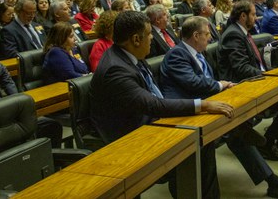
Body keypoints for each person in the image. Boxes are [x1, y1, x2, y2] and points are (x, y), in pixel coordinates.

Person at [89, 10, 233, 199]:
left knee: (202, 138)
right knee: (195, 139)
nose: (152, 38)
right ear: (135, 39)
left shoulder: (130, 57)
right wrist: (203, 105)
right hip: (129, 134)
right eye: (149, 34)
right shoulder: (116, 69)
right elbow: (153, 105)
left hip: (147, 119)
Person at [159, 16, 278, 199]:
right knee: (236, 134)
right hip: (185, 113)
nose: (210, 38)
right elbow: (194, 83)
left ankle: (273, 180)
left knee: (236, 132)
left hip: (205, 106)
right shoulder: (177, 54)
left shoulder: (198, 53)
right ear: (196, 35)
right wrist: (221, 85)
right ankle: (272, 177)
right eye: (207, 34)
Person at [218, 0, 278, 161]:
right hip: (242, 86)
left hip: (256, 79)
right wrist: (269, 76)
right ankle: (269, 142)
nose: (257, 18)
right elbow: (241, 69)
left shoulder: (241, 31)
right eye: (254, 14)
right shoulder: (233, 34)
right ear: (243, 16)